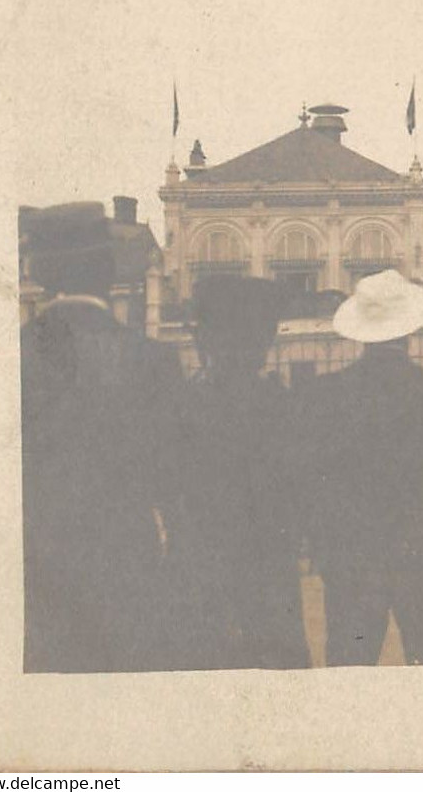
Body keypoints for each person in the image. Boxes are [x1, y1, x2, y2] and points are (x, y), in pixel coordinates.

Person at [19, 203, 189, 673]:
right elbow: (176, 484)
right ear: (107, 270)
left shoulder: (11, 360)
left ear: (42, 274)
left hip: (37, 570)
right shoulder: (151, 360)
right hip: (127, 563)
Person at [300, 270, 423, 666]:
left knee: (351, 677)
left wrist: (327, 549)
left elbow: (313, 480)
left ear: (360, 332)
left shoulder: (326, 396)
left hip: (353, 562)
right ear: (409, 329)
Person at [171, 276, 310, 669]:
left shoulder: (187, 405)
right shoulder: (280, 405)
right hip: (270, 570)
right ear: (263, 343)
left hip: (202, 566)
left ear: (208, 342)